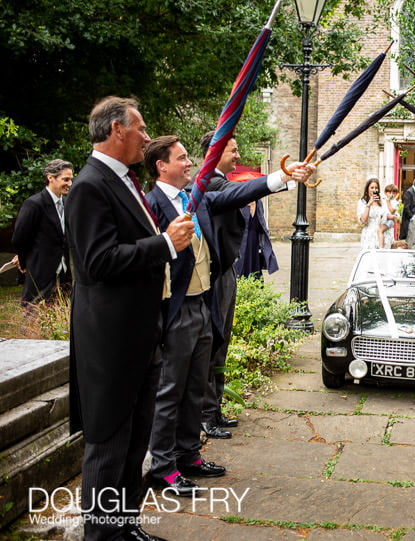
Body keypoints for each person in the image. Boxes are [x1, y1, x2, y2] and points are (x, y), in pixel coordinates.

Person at [143, 136, 310, 497]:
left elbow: (235, 194)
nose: (190, 163)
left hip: (203, 303)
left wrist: (284, 177)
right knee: (170, 389)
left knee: (195, 383)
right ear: (162, 166)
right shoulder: (150, 204)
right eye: (182, 158)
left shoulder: (195, 197)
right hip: (175, 309)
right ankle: (163, 466)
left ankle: (189, 455)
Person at [65, 96, 195, 541]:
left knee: (136, 441)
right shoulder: (89, 184)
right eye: (139, 128)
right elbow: (97, 262)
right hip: (111, 343)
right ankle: (101, 535)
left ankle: (126, 528)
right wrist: (164, 244)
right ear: (117, 129)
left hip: (141, 335)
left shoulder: (124, 180)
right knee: (109, 445)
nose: (145, 136)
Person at [198, 131, 245, 439]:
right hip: (214, 276)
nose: (238, 156)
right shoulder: (210, 184)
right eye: (233, 150)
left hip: (227, 271)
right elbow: (240, 192)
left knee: (222, 342)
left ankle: (214, 408)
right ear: (215, 153)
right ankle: (204, 414)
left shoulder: (220, 182)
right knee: (212, 342)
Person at [12, 159, 74, 305]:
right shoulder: (33, 204)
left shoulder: (67, 203)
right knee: (34, 319)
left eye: (71, 179)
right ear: (50, 178)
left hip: (64, 275)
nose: (70, 184)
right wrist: (24, 260)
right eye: (65, 179)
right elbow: (19, 238)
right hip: (40, 274)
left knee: (61, 322)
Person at [234, 199, 278, 279]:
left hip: (255, 242)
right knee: (242, 269)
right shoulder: (239, 202)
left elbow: (261, 223)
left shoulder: (259, 203)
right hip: (242, 243)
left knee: (255, 270)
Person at [357, 177, 393, 250]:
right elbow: (363, 220)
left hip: (383, 234)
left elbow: (388, 216)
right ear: (367, 189)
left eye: (376, 188)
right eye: (372, 188)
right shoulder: (362, 202)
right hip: (369, 234)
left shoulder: (382, 201)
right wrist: (369, 204)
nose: (374, 190)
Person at [377, 184, 400, 248]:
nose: (391, 195)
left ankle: (381, 246)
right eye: (389, 192)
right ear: (385, 193)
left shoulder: (396, 202)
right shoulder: (383, 200)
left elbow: (392, 211)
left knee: (380, 230)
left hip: (390, 221)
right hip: (383, 219)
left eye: (394, 193)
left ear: (396, 194)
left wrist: (388, 202)